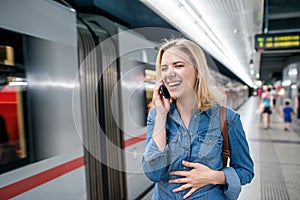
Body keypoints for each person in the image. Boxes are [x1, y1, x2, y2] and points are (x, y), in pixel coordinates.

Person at [142, 38, 254, 199]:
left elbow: (246, 171)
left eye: (178, 65)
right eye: (164, 68)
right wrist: (160, 115)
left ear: (198, 71)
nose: (169, 74)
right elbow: (153, 173)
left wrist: (214, 176)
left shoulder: (227, 118)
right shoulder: (157, 115)